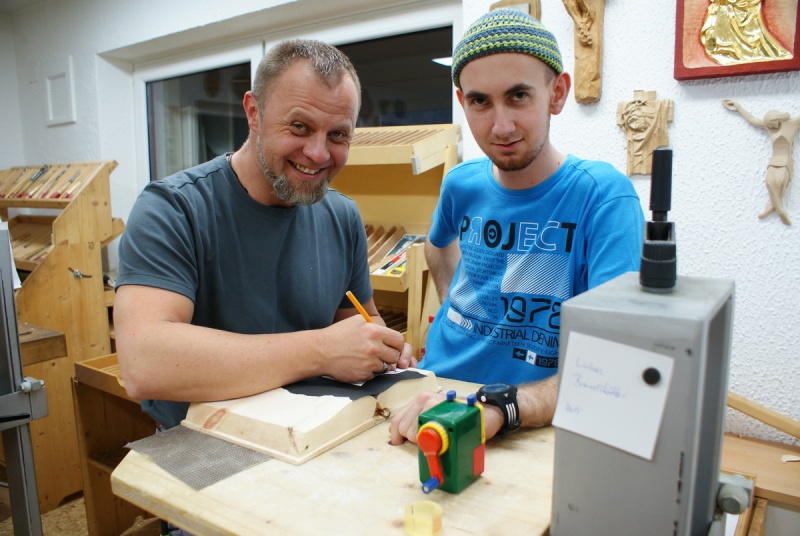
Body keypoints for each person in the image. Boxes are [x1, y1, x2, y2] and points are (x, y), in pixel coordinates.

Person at [114, 39, 415, 431]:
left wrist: (382, 347)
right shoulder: (173, 209)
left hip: (311, 433)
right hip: (201, 443)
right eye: (300, 127)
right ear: (254, 113)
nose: (319, 153)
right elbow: (145, 363)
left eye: (338, 135)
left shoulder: (342, 216)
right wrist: (321, 351)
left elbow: (361, 319)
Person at [389, 9, 644, 445]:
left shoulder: (603, 198)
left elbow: (612, 366)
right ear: (462, 101)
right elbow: (438, 244)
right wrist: (453, 305)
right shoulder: (461, 183)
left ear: (557, 93)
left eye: (519, 96)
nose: (501, 126)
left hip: (526, 415)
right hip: (437, 388)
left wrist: (499, 407)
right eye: (480, 102)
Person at [723, 99, 800, 225]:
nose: (771, 128)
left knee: (781, 184)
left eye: (772, 125)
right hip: (774, 161)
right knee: (769, 183)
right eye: (769, 126)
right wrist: (738, 107)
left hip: (785, 162)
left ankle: (774, 208)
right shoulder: (769, 126)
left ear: (778, 120)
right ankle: (780, 210)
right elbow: (751, 119)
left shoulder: (792, 124)